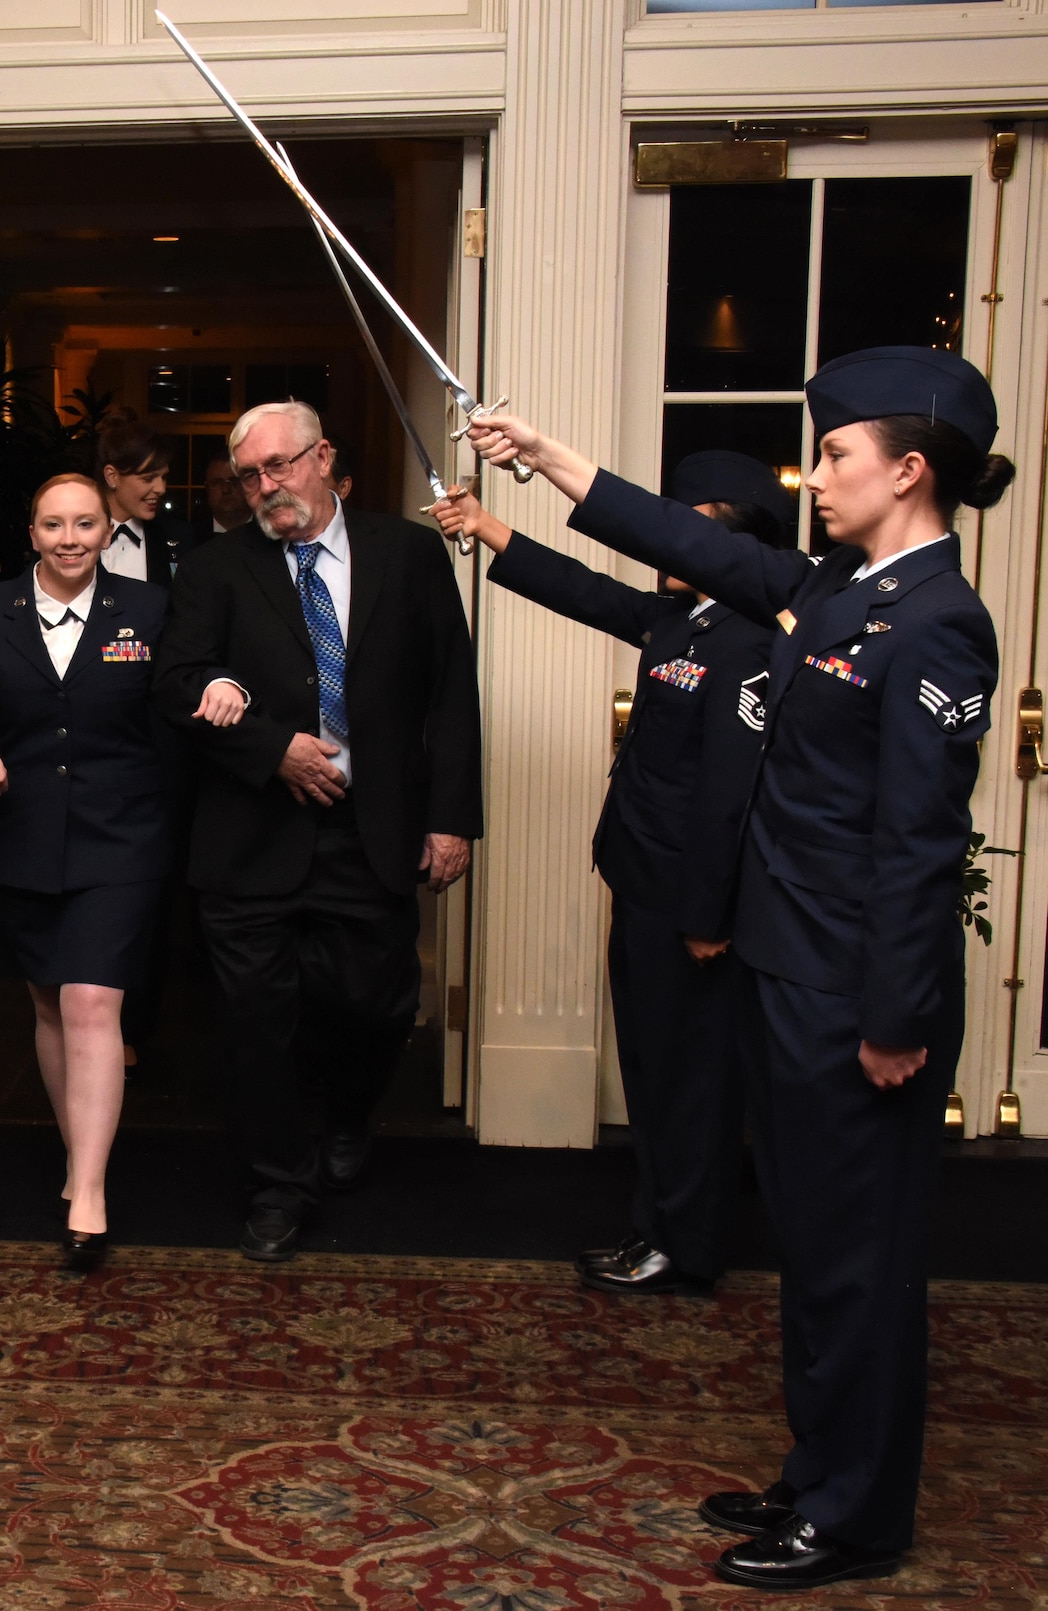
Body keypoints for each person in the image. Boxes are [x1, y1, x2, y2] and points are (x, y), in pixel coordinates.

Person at [461, 346, 1011, 1591]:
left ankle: (857, 1515)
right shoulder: (838, 589)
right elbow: (703, 556)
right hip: (786, 972)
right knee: (816, 1254)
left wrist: (893, 1018)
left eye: (833, 457)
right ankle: (818, 1473)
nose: (811, 479)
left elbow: (917, 847)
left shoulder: (934, 623)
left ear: (907, 470)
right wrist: (544, 458)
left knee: (856, 1264)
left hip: (853, 1000)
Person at [432, 452, 792, 1298]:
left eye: (687, 521)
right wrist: (487, 529)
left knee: (692, 1083)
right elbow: (585, 590)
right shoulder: (682, 618)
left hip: (692, 906)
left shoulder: (749, 633)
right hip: (644, 886)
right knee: (656, 1072)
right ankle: (657, 1224)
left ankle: (685, 1243)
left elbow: (728, 794)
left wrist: (709, 914)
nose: (666, 536)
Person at [154, 400, 482, 1261]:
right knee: (257, 1023)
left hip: (371, 829)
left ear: (324, 457)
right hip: (252, 834)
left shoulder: (407, 554)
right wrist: (273, 750)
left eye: (280, 466)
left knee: (378, 1004)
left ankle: (346, 1115)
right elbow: (175, 683)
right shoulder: (215, 570)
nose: (266, 488)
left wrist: (452, 819)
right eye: (250, 476)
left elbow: (450, 690)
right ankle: (279, 1180)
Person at [0, 474, 195, 1269]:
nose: (69, 538)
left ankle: (89, 1190)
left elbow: (182, 693)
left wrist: (226, 686)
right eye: (54, 524)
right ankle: (77, 1155)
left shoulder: (150, 610)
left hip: (121, 838)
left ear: (107, 530)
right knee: (51, 1005)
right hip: (19, 835)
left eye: (85, 523)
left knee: (93, 1000)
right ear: (31, 532)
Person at [96, 410, 199, 584]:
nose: (161, 488)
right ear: (112, 476)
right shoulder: (74, 536)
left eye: (163, 477)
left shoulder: (179, 537)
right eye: (148, 478)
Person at [193, 453, 250, 545]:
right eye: (217, 483)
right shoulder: (190, 538)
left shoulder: (269, 534)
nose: (225, 489)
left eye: (233, 481)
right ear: (207, 488)